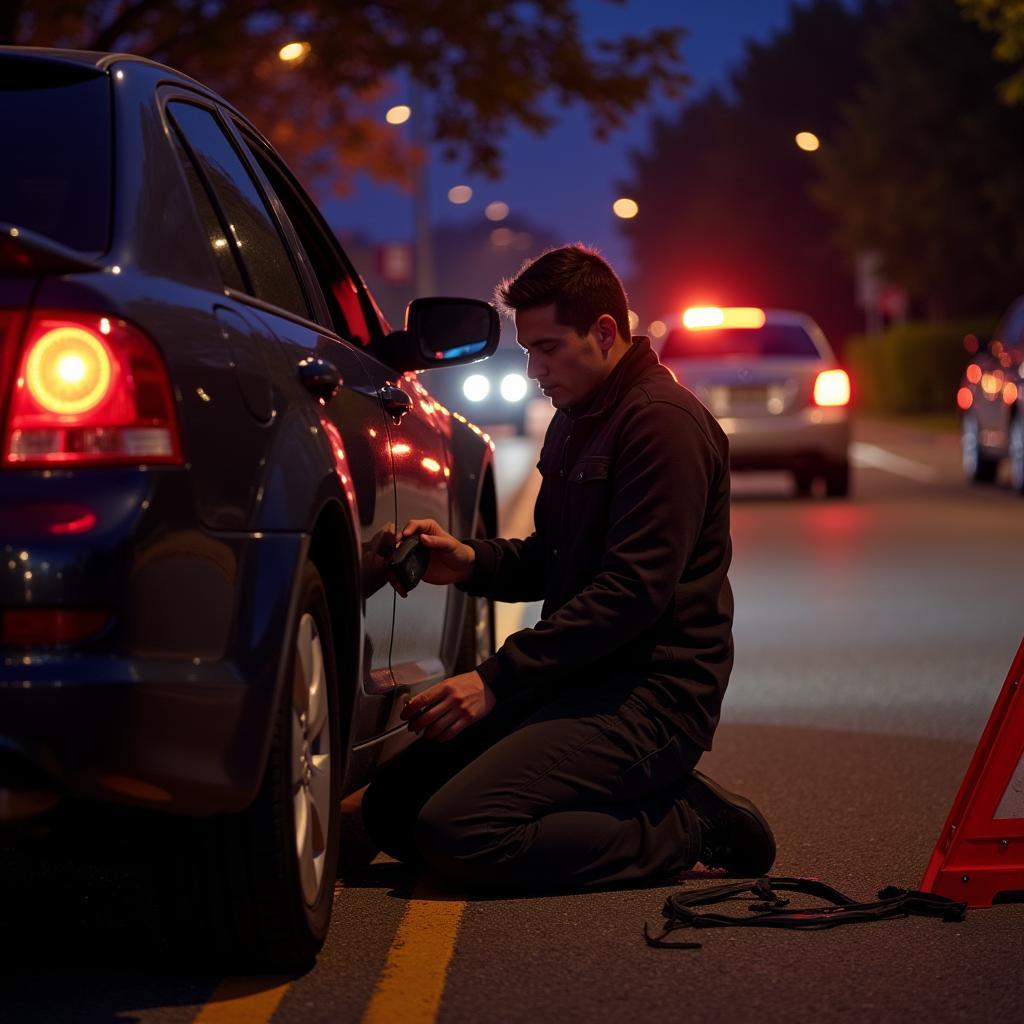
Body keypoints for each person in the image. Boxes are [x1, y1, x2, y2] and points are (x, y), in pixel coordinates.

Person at [361, 244, 775, 891]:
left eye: (548, 347)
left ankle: (684, 826)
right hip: (576, 682)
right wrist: (467, 560)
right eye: (528, 351)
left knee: (461, 833)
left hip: (650, 699)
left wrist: (493, 678)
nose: (534, 370)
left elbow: (630, 594)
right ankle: (611, 794)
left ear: (604, 332)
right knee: (394, 812)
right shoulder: (577, 418)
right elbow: (550, 560)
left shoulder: (663, 426)